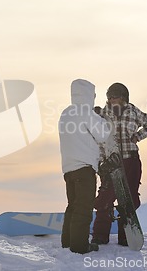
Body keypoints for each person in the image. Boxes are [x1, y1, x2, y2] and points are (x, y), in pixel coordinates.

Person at [92, 82, 147, 246]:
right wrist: (100, 162)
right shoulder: (102, 114)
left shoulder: (134, 111)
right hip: (110, 162)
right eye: (110, 96)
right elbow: (98, 139)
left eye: (116, 96)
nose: (112, 99)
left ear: (124, 98)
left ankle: (126, 236)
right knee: (105, 198)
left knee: (129, 199)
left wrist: (138, 136)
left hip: (131, 160)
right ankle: (100, 236)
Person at [59, 79, 112, 254]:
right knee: (83, 208)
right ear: (89, 94)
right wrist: (102, 118)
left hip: (68, 169)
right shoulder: (86, 112)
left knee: (72, 206)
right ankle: (80, 246)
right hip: (84, 168)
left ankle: (67, 242)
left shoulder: (65, 113)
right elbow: (104, 135)